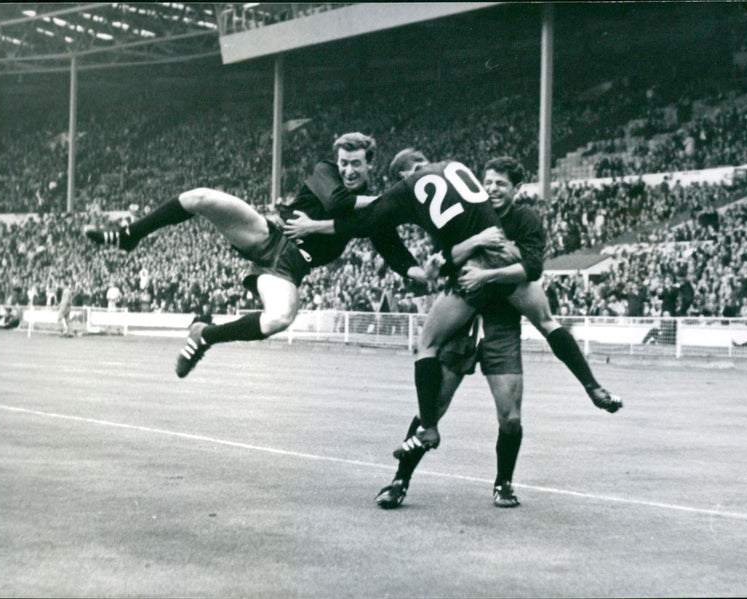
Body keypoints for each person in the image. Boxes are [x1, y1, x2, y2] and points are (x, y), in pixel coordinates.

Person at [284, 149, 621, 462]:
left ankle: (429, 427)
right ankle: (592, 386)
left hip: (470, 274)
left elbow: (366, 223)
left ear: (405, 173)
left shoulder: (409, 188)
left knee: (426, 345)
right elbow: (512, 249)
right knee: (547, 322)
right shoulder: (458, 168)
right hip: (503, 260)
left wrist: (314, 226)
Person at [373, 157, 622, 509]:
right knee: (433, 407)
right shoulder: (464, 211)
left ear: (516, 189)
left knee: (511, 416)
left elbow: (531, 269)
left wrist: (485, 270)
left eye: (500, 184)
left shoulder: (524, 219)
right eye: (487, 182)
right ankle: (399, 481)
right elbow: (446, 261)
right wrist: (465, 252)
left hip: (500, 322)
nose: (491, 190)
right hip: (463, 322)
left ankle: (503, 483)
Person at [83, 133, 425, 377]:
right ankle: (130, 235)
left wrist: (423, 275)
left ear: (370, 166)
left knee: (279, 318)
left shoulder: (375, 213)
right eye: (345, 163)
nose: (349, 170)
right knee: (200, 197)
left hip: (290, 269)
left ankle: (205, 335)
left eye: (356, 165)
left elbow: (393, 251)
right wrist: (397, 202)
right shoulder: (326, 171)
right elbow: (338, 203)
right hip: (266, 236)